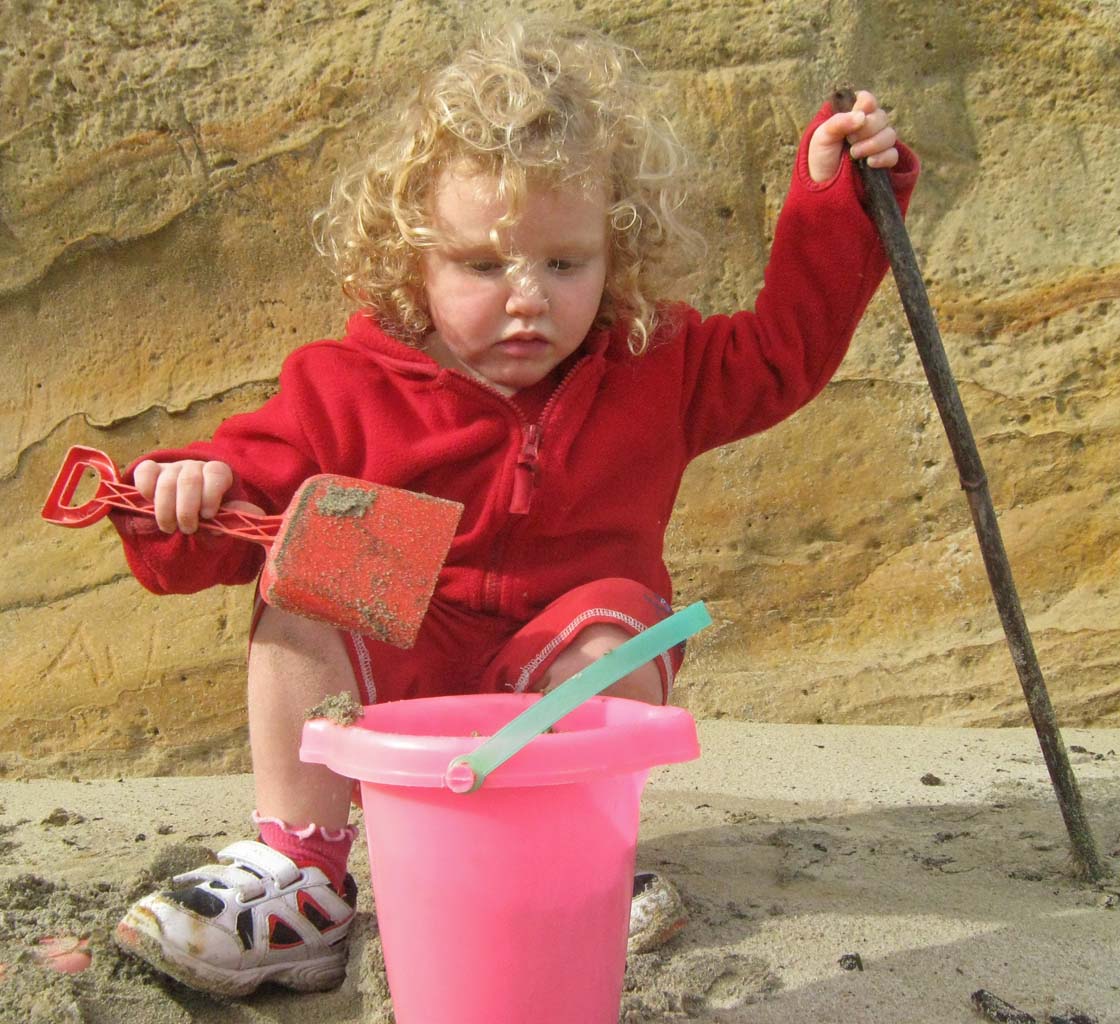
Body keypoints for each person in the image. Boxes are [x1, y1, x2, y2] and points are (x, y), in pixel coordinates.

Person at [109, 16, 917, 999]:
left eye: (564, 264)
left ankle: (568, 867)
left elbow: (785, 349)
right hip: (399, 676)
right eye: (483, 267)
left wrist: (835, 205)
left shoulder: (658, 367)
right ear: (415, 260)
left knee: (615, 622)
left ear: (616, 253)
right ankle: (301, 880)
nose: (527, 299)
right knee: (321, 554)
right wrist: (179, 494)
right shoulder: (342, 385)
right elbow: (224, 523)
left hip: (553, 680)